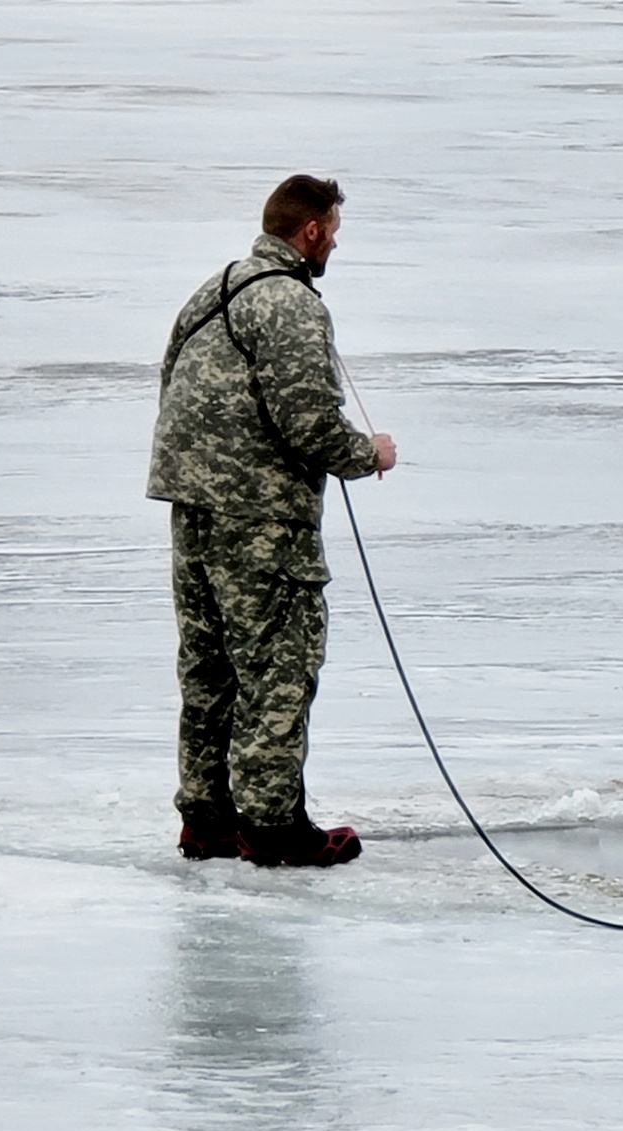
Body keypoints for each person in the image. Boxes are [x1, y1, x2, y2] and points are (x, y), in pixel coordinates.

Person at [147, 174, 396, 867]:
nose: (335, 244)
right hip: (259, 521)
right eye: (333, 232)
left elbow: (171, 385)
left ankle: (208, 817)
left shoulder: (212, 290)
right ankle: (271, 825)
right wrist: (366, 453)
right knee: (278, 665)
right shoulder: (288, 302)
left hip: (191, 511)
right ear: (310, 230)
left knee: (209, 670)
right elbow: (309, 423)